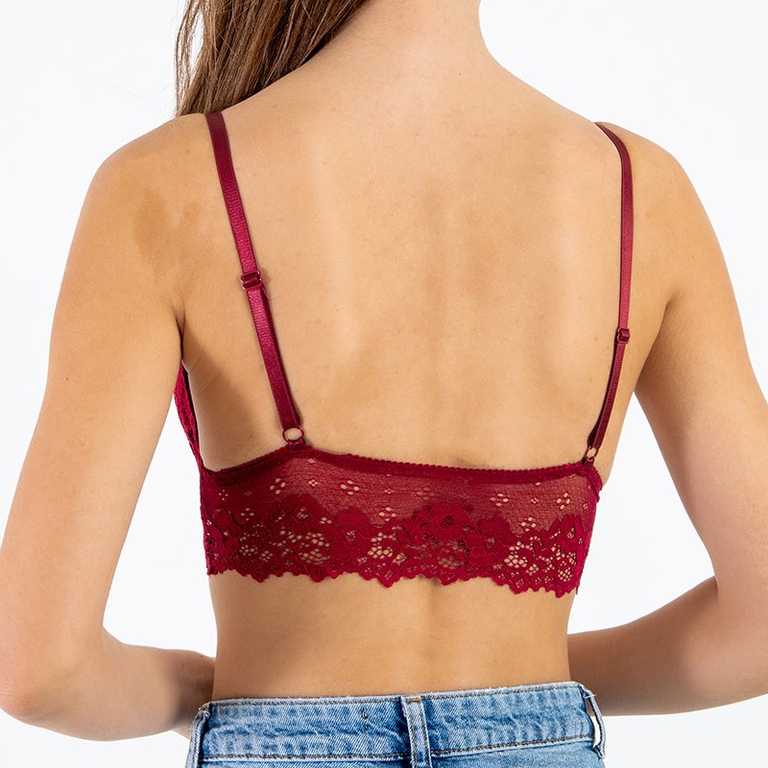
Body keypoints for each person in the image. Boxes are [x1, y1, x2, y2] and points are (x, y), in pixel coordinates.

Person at [1, 0, 767, 765]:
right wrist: (521, 697)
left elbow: (39, 672)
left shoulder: (170, 182)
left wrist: (205, 691)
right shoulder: (641, 192)